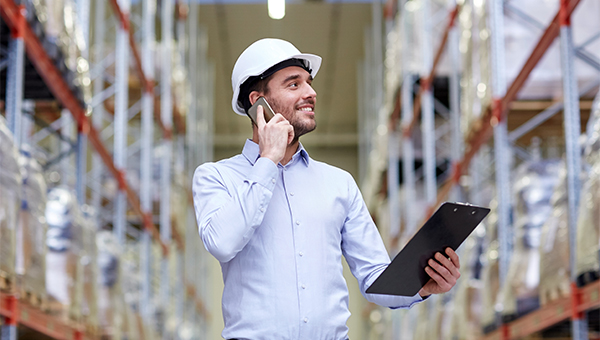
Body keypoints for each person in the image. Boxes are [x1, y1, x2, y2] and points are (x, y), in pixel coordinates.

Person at [192, 38, 461, 340]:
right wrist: (268, 159)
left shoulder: (339, 183)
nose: (311, 93)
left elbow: (375, 278)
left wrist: (421, 284)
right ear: (258, 103)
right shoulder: (216, 177)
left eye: (309, 83)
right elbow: (223, 243)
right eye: (294, 85)